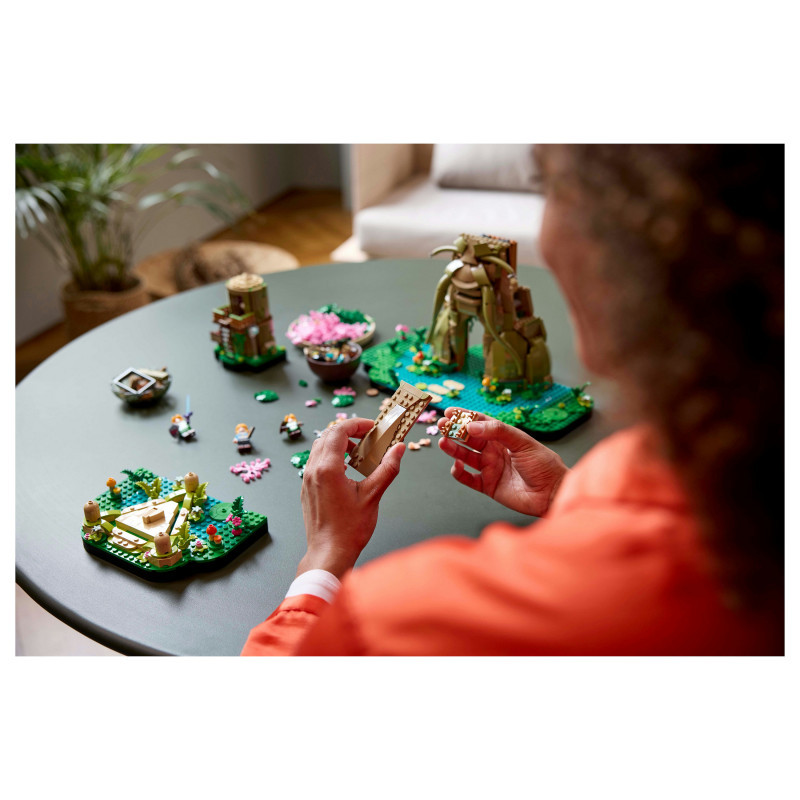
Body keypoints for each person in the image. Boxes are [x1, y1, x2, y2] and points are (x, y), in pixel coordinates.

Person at [241, 144, 784, 656]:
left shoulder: (396, 616)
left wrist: (323, 560)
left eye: (549, 188)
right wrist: (569, 496)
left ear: (611, 255)